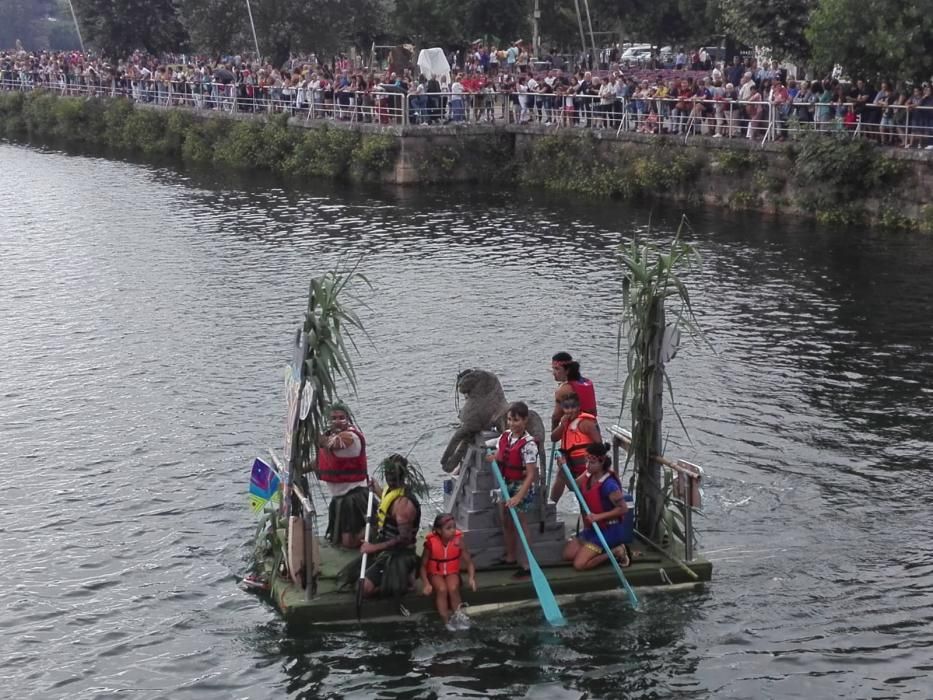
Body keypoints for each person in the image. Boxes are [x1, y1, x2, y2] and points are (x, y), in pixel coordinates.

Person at [337, 454, 422, 601]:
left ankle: (404, 582)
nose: (389, 477)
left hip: (399, 555)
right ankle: (401, 578)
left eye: (392, 475)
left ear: (401, 475)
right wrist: (376, 489)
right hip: (384, 549)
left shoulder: (404, 506)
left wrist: (373, 548)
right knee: (351, 577)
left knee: (363, 589)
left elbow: (404, 539)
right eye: (388, 474)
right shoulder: (391, 490)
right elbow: (387, 503)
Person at [487, 401, 539, 580]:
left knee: (521, 524)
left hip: (520, 485)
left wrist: (518, 496)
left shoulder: (529, 444)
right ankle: (510, 557)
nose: (512, 424)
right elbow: (502, 456)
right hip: (505, 482)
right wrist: (493, 457)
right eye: (509, 419)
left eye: (516, 420)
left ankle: (526, 564)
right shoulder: (506, 436)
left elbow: (531, 474)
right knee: (506, 520)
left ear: (524, 420)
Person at [562, 443, 631, 569]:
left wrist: (599, 516)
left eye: (592, 463)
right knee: (568, 555)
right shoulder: (588, 474)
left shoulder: (610, 486)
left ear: (602, 462)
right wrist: (563, 467)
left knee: (580, 564)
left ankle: (617, 551)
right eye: (586, 461)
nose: (587, 466)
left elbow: (623, 509)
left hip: (610, 529)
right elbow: (573, 486)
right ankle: (595, 549)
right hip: (594, 528)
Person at [316, 402, 369, 548]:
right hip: (339, 497)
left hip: (354, 495)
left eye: (341, 417)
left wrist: (310, 430)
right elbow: (320, 460)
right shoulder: (330, 436)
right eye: (333, 418)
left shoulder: (350, 437)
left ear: (348, 419)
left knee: (349, 542)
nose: (337, 421)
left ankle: (375, 530)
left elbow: (332, 443)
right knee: (339, 539)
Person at [421, 513, 477, 631]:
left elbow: (469, 563)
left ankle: (458, 617)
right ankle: (446, 621)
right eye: (448, 528)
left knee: (453, 587)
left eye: (454, 527)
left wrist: (471, 578)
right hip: (435, 573)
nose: (452, 531)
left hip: (452, 572)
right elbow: (422, 566)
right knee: (442, 589)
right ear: (438, 530)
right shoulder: (430, 544)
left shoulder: (459, 542)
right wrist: (426, 583)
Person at [550, 392, 601, 503]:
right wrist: (562, 426)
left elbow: (599, 446)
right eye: (567, 408)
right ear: (563, 409)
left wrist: (592, 466)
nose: (570, 411)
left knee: (583, 496)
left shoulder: (586, 423)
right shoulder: (565, 423)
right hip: (572, 466)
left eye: (573, 407)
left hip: (586, 467)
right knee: (561, 473)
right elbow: (553, 438)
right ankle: (551, 505)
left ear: (578, 407)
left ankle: (588, 516)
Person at [550, 352, 598, 429]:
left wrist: (553, 434)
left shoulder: (564, 390)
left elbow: (556, 417)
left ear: (567, 370)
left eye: (557, 369)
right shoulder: (587, 382)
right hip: (593, 427)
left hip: (577, 430)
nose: (553, 373)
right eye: (553, 369)